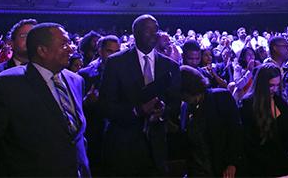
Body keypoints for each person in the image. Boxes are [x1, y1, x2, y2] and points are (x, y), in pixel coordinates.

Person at [0, 23, 90, 177]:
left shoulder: (76, 81)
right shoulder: (6, 84)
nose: (71, 48)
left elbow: (74, 136)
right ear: (42, 50)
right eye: (64, 44)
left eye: (69, 43)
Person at [99, 14, 181, 176]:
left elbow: (176, 103)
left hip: (156, 148)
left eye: (155, 30)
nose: (153, 34)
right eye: (147, 30)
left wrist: (163, 111)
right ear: (135, 33)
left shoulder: (170, 65)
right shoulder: (116, 63)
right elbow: (106, 106)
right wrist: (138, 111)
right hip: (124, 147)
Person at [239, 64, 288, 176]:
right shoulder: (248, 104)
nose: (274, 89)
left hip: (285, 160)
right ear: (261, 84)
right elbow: (248, 141)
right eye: (270, 86)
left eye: (277, 85)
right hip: (262, 165)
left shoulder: (280, 102)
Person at [179, 65, 243, 177]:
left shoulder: (221, 97)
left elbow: (235, 132)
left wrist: (232, 162)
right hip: (197, 171)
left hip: (221, 169)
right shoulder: (186, 107)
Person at [78, 35, 121, 176]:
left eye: (117, 52)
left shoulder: (126, 74)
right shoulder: (84, 75)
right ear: (100, 51)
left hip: (118, 134)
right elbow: (75, 108)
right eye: (109, 51)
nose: (113, 56)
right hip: (94, 134)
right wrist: (87, 101)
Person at [0, 18, 37, 100]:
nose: (29, 39)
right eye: (23, 36)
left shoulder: (47, 72)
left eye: (33, 36)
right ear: (11, 43)